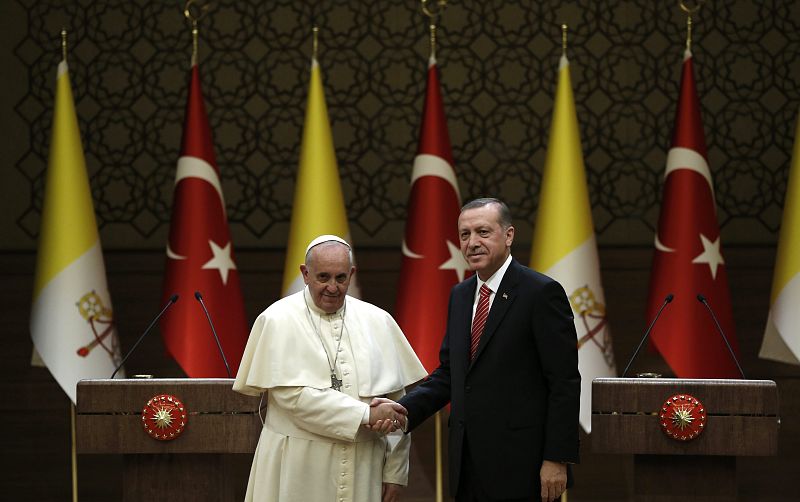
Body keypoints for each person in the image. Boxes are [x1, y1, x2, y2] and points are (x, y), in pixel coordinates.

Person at [381, 198, 581, 502]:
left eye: (483, 232)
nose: (472, 242)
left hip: (523, 467)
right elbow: (451, 374)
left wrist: (557, 458)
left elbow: (564, 382)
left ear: (509, 235)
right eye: (465, 234)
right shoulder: (460, 295)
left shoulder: (541, 293)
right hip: (467, 464)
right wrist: (403, 410)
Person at [234, 235, 427, 502]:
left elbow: (397, 405)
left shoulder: (378, 321)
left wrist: (394, 471)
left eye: (341, 278)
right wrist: (366, 415)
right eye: (323, 277)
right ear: (305, 273)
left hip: (364, 467)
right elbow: (293, 398)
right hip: (297, 466)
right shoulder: (277, 320)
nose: (332, 288)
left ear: (352, 274)